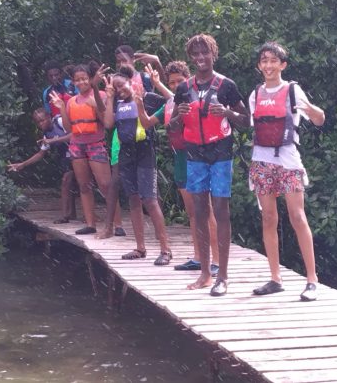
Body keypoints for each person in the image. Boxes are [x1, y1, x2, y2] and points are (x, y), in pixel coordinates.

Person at [170, 34, 249, 296]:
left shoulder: (226, 85)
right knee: (200, 213)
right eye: (196, 54)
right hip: (195, 156)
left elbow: (246, 121)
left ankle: (222, 276)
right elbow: (171, 126)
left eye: (205, 53)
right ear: (191, 58)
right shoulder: (184, 88)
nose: (201, 58)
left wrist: (228, 113)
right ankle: (204, 273)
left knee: (221, 210)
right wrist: (178, 118)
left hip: (221, 154)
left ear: (214, 54)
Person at [247, 41, 325, 301]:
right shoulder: (255, 94)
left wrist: (310, 109)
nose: (268, 65)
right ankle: (275, 278)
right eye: (264, 60)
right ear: (259, 66)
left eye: (273, 60)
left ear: (283, 65)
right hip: (261, 161)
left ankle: (312, 280)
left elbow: (319, 119)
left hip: (289, 160)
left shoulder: (292, 90)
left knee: (297, 216)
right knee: (268, 218)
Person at [147, 61, 220, 276]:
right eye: (173, 82)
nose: (177, 85)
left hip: (199, 157)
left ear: (188, 80)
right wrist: (151, 91)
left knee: (206, 212)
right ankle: (198, 257)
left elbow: (182, 96)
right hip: (181, 158)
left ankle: (215, 260)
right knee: (192, 213)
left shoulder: (197, 98)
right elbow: (170, 101)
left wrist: (161, 85)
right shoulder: (172, 103)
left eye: (180, 81)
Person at [102, 66, 172, 264]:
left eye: (120, 85)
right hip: (126, 153)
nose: (119, 90)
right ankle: (140, 248)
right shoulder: (115, 102)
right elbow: (108, 124)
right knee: (133, 199)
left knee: (149, 200)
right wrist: (109, 97)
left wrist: (157, 84)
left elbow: (172, 101)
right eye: (114, 88)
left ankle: (165, 250)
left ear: (130, 82)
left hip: (145, 152)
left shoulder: (147, 97)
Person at [49, 62, 122, 235]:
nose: (81, 82)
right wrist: (61, 108)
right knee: (84, 185)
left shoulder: (101, 95)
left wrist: (95, 105)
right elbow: (68, 128)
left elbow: (107, 122)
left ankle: (117, 224)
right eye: (77, 80)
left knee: (105, 185)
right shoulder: (71, 101)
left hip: (96, 144)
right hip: (77, 146)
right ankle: (91, 224)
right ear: (73, 82)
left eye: (84, 79)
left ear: (90, 79)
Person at [8, 108, 76, 223]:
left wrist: (54, 141)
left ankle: (67, 216)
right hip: (65, 158)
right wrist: (23, 164)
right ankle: (70, 214)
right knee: (69, 184)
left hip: (79, 153)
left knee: (71, 182)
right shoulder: (46, 134)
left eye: (42, 120)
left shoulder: (59, 121)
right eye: (38, 122)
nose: (41, 124)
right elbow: (40, 154)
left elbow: (74, 135)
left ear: (49, 117)